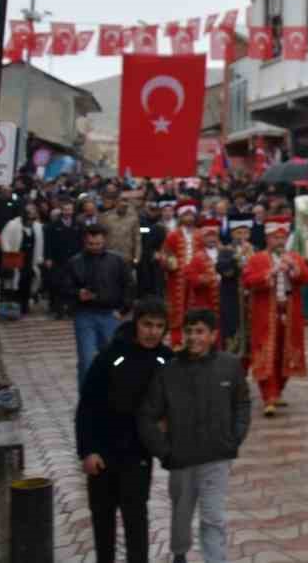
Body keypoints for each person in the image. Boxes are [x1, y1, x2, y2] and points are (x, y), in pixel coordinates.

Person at [138, 308, 251, 563]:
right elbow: (147, 415)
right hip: (182, 459)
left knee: (213, 517)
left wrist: (235, 437)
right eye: (188, 331)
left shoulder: (230, 366)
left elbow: (242, 403)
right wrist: (165, 452)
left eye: (200, 332)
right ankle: (180, 554)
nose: (193, 337)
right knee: (181, 514)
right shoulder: (169, 371)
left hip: (217, 456)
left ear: (213, 335)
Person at [76, 297, 172, 563]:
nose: (152, 332)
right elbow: (87, 406)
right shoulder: (111, 356)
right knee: (103, 520)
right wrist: (87, 451)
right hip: (103, 453)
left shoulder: (166, 359)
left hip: (138, 455)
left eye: (159, 326)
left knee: (136, 519)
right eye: (147, 325)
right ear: (136, 323)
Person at [242, 215, 308, 416]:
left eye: (282, 237)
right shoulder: (257, 259)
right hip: (265, 313)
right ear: (267, 238)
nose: (279, 241)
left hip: (289, 313)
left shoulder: (294, 257)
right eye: (275, 237)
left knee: (286, 352)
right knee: (267, 352)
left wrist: (294, 269)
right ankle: (268, 395)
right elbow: (248, 280)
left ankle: (278, 390)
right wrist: (272, 272)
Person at [68, 223, 132, 385]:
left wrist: (123, 310)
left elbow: (129, 286)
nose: (95, 247)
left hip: (111, 314)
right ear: (85, 241)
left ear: (105, 241)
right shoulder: (75, 262)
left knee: (114, 359)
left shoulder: (117, 260)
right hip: (84, 315)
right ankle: (87, 395)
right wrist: (77, 294)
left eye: (98, 244)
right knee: (86, 360)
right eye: (91, 244)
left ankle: (112, 393)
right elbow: (64, 287)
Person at [160, 202, 200, 347]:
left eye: (191, 215)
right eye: (186, 215)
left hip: (195, 280)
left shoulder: (199, 234)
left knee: (194, 308)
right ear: (181, 217)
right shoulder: (173, 235)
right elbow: (164, 255)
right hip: (177, 279)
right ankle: (176, 342)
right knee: (176, 310)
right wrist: (169, 262)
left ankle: (194, 339)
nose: (189, 218)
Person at [218, 217, 253, 359]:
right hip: (231, 297)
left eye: (245, 233)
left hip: (250, 298)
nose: (242, 236)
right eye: (239, 233)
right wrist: (238, 256)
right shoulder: (226, 251)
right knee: (232, 331)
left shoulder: (255, 250)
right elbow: (222, 269)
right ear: (232, 234)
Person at [184, 219, 223, 333]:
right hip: (205, 302)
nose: (212, 239)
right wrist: (206, 279)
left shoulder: (224, 252)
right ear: (203, 238)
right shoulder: (197, 257)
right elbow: (190, 277)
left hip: (223, 301)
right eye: (208, 236)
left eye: (214, 236)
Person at [45, 202, 82, 317]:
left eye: (69, 209)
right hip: (58, 259)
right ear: (62, 211)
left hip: (74, 260)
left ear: (73, 210)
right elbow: (48, 243)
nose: (68, 212)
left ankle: (71, 309)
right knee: (58, 284)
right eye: (65, 209)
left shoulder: (78, 225)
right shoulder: (53, 225)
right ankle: (58, 309)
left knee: (73, 284)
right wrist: (48, 258)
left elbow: (81, 242)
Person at [100, 192, 141, 281]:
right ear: (116, 203)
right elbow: (101, 237)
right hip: (109, 255)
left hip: (127, 257)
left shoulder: (133, 218)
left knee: (127, 282)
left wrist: (137, 257)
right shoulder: (106, 217)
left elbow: (137, 239)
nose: (123, 204)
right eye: (121, 201)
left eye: (126, 201)